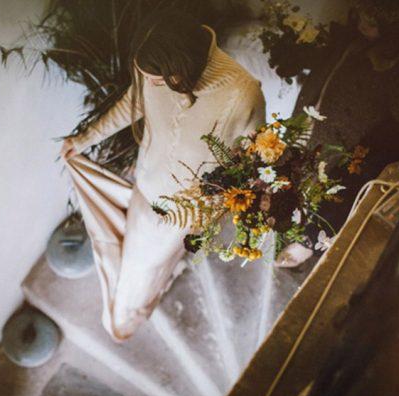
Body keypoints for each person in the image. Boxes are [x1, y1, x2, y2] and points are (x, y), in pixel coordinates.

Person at [60, 11, 266, 342]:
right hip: (146, 186)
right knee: (141, 261)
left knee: (145, 268)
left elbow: (253, 159)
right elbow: (134, 101)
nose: (151, 85)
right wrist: (84, 139)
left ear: (179, 70)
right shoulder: (155, 66)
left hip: (183, 211)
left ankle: (127, 318)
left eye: (156, 80)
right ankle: (142, 299)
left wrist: (218, 208)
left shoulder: (242, 95)